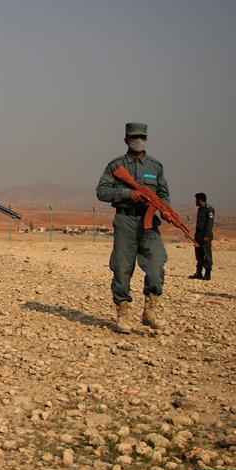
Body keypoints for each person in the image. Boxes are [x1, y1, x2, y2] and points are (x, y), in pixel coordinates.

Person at [96, 122, 170, 334]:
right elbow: (102, 191)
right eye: (134, 137)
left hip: (149, 223)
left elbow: (164, 193)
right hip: (125, 220)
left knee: (156, 264)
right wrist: (128, 194)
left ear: (147, 139)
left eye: (142, 137)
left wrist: (164, 208)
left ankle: (150, 310)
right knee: (122, 267)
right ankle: (123, 312)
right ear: (126, 140)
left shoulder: (155, 167)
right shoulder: (116, 166)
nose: (139, 141)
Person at [189, 193, 215, 280]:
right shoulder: (200, 209)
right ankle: (198, 273)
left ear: (200, 200)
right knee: (199, 254)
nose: (195, 201)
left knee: (206, 253)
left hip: (205, 234)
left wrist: (207, 235)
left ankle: (207, 274)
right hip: (199, 234)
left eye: (196, 199)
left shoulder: (209, 209)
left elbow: (209, 224)